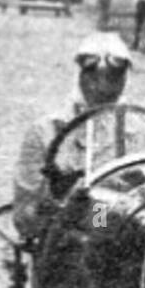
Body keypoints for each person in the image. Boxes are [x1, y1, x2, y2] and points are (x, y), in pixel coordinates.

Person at [12, 33, 132, 242]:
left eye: (113, 77)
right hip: (67, 248)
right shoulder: (45, 132)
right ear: (79, 76)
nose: (102, 86)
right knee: (100, 213)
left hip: (129, 244)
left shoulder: (141, 131)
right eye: (92, 75)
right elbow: (25, 219)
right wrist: (54, 194)